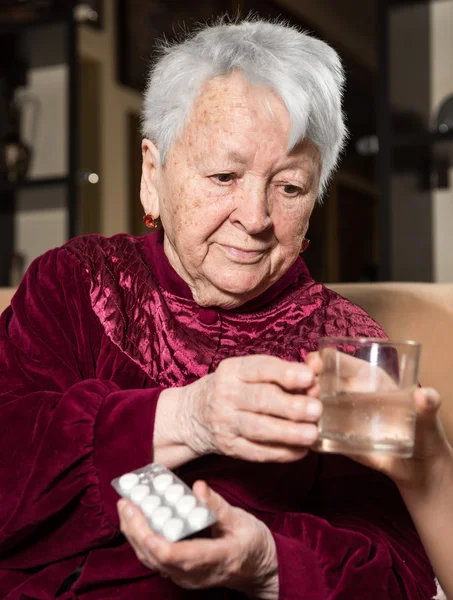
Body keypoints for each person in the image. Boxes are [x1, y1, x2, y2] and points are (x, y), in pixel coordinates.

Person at [0, 17, 451, 600]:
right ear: (152, 175)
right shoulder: (76, 283)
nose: (257, 217)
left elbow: (401, 573)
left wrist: (267, 562)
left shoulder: (343, 343)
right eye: (223, 175)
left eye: (289, 187)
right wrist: (188, 416)